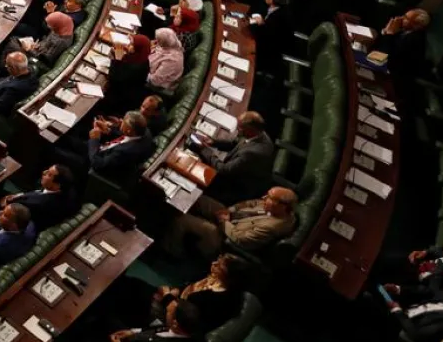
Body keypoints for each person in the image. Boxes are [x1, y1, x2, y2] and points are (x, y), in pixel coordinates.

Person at [166, 186, 298, 261]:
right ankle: (163, 208)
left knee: (182, 219)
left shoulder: (272, 227)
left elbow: (241, 240)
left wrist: (224, 221)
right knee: (199, 199)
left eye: (269, 198)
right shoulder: (275, 209)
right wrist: (230, 210)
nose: (264, 198)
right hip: (230, 218)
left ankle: (172, 251)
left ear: (282, 206)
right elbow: (249, 203)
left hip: (225, 237)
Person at [198, 111, 276, 205]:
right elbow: (235, 143)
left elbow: (224, 170)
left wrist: (206, 151)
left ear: (249, 130)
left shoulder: (252, 153)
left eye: (239, 128)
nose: (237, 129)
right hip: (239, 172)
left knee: (199, 179)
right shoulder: (259, 134)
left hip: (239, 187)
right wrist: (213, 142)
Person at [88, 111, 156, 184]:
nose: (121, 121)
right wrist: (109, 130)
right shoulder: (145, 132)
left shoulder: (125, 151)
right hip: (111, 150)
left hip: (105, 167)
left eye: (123, 121)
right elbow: (125, 136)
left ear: (129, 130)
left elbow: (98, 165)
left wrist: (94, 139)